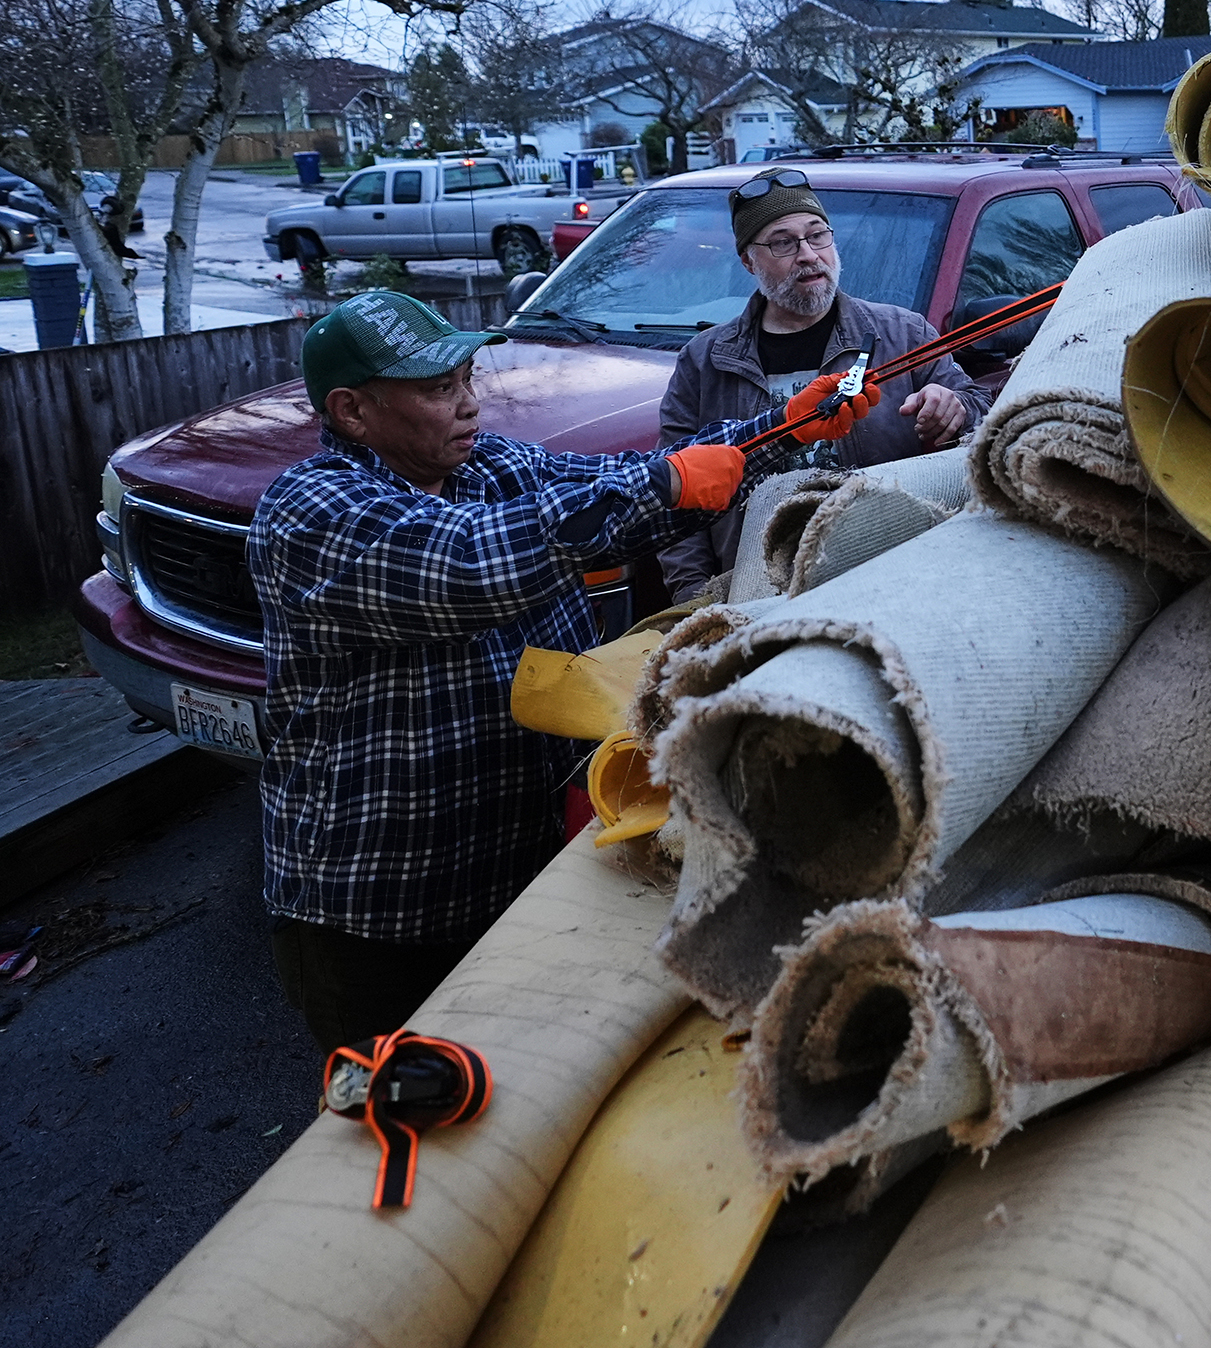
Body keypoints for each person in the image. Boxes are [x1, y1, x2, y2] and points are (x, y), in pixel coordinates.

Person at [248, 290, 874, 1051]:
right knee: (399, 1125)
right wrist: (664, 483)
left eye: (468, 378)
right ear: (352, 412)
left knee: (516, 1087)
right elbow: (475, 565)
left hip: (518, 878)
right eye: (440, 389)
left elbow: (625, 484)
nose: (469, 403)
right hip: (383, 912)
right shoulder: (310, 510)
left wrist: (781, 429)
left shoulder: (491, 466)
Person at [656, 167, 991, 600]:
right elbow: (674, 494)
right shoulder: (704, 362)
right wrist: (694, 597)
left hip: (890, 574)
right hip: (755, 591)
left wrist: (956, 408)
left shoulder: (904, 334)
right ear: (747, 260)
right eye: (782, 242)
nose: (808, 254)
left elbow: (982, 414)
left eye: (817, 235)